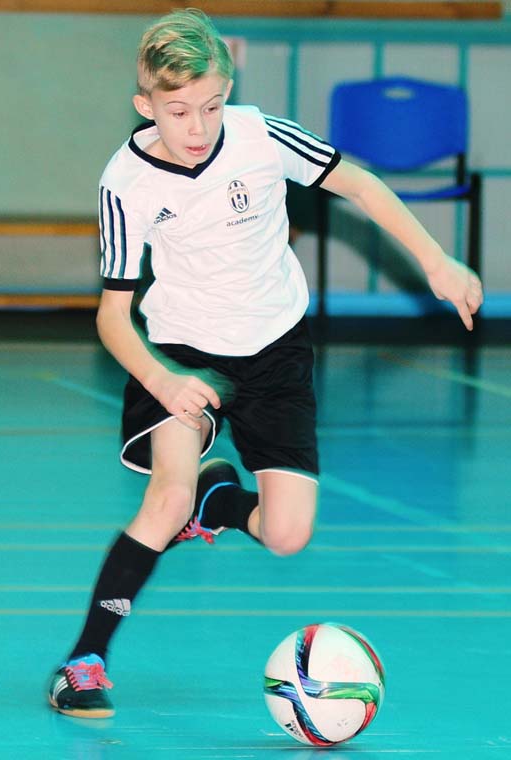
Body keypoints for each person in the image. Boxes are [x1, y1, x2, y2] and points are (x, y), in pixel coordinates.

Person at [47, 9, 483, 719]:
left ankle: (220, 503)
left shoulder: (259, 135)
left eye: (212, 105)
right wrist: (162, 379)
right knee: (166, 500)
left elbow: (362, 185)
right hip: (183, 352)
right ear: (145, 105)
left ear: (229, 93)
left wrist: (436, 260)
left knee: (286, 534)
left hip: (276, 348)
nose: (198, 127)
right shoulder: (126, 182)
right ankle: (83, 662)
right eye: (179, 111)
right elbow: (112, 317)